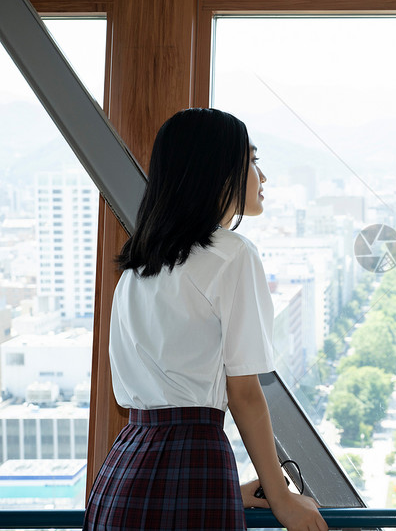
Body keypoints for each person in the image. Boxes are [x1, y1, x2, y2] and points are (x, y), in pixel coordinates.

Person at [83, 108, 328, 531]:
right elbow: (244, 393)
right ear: (216, 170)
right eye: (252, 161)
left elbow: (146, 398)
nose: (262, 177)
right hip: (193, 460)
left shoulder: (139, 267)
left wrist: (228, 492)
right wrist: (284, 500)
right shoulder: (232, 255)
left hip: (123, 475)